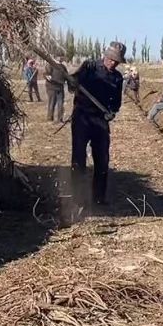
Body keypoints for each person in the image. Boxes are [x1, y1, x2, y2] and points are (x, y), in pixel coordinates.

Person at [68, 42, 126, 206]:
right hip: (82, 117)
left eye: (117, 61)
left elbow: (116, 103)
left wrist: (112, 112)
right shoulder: (90, 67)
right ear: (105, 56)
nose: (113, 63)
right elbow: (73, 82)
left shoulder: (117, 78)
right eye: (111, 59)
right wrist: (72, 82)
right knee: (79, 158)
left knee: (102, 159)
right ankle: (77, 197)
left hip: (100, 121)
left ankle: (99, 197)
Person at [44, 56, 68, 122]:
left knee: (60, 104)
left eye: (62, 57)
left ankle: (60, 119)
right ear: (56, 57)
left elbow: (66, 76)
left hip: (60, 88)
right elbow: (46, 74)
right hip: (52, 88)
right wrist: (48, 77)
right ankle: (50, 118)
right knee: (52, 103)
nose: (60, 58)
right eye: (59, 56)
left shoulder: (63, 67)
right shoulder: (50, 65)